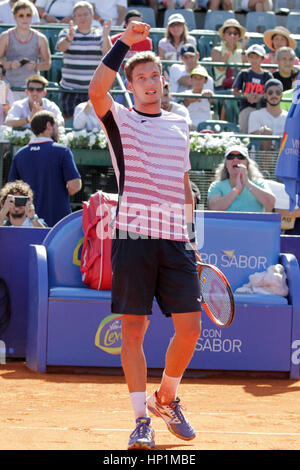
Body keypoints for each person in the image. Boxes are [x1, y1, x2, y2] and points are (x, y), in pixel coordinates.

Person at [89, 21, 202, 450]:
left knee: (189, 330)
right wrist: (122, 43)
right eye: (142, 78)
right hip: (134, 237)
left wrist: (192, 234)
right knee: (133, 331)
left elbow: (185, 184)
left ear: (163, 81)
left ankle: (167, 398)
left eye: (156, 76)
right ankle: (141, 420)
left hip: (176, 239)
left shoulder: (180, 124)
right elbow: (97, 91)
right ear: (132, 86)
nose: (151, 83)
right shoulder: (119, 119)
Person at [8, 110, 82, 226]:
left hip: (27, 223)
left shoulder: (20, 154)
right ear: (48, 126)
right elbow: (75, 186)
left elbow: (11, 192)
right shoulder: (62, 151)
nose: (58, 130)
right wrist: (57, 193)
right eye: (56, 126)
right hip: (57, 223)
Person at [56, 0, 112, 121]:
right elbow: (61, 48)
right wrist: (69, 38)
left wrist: (106, 36)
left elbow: (107, 54)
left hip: (93, 91)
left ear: (92, 16)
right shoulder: (66, 32)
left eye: (86, 14)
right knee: (70, 122)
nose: (83, 18)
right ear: (74, 18)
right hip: (69, 89)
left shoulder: (101, 33)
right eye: (79, 15)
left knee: (95, 124)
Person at [0, 0, 51, 100]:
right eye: (21, 15)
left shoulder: (40, 38)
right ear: (15, 17)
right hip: (8, 88)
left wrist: (36, 65)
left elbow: (48, 64)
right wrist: (9, 64)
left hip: (33, 90)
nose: (25, 18)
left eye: (28, 15)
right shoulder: (6, 36)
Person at [207, 144, 275, 212]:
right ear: (226, 164)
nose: (235, 159)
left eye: (240, 157)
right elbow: (214, 208)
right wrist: (237, 189)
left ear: (247, 163)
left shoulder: (259, 183)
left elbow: (271, 204)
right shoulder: (217, 186)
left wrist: (247, 183)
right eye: (231, 157)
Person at [233, 44, 273, 134]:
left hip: (263, 108)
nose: (254, 60)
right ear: (248, 58)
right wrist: (246, 96)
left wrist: (261, 96)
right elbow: (235, 91)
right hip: (247, 107)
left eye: (257, 57)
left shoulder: (267, 75)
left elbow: (271, 92)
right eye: (251, 57)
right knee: (245, 131)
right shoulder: (244, 74)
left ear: (262, 59)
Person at [248, 78, 288, 151]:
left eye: (278, 92)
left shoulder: (288, 117)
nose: (274, 95)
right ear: (265, 95)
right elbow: (254, 139)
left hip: (282, 156)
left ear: (281, 95)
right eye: (270, 92)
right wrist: (263, 133)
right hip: (261, 157)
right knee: (266, 133)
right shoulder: (255, 115)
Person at [211, 18, 249, 91]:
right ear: (224, 35)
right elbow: (221, 67)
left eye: (235, 33)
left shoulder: (243, 52)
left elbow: (245, 69)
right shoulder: (216, 50)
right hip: (222, 87)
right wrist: (229, 49)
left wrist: (243, 49)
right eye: (229, 33)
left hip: (239, 88)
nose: (232, 36)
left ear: (239, 36)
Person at [182, 65, 214, 130]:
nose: (198, 81)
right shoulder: (186, 93)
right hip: (190, 127)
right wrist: (198, 97)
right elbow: (186, 102)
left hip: (207, 127)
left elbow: (214, 102)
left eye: (200, 78)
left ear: (205, 81)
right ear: (191, 80)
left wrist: (210, 96)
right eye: (195, 78)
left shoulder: (208, 93)